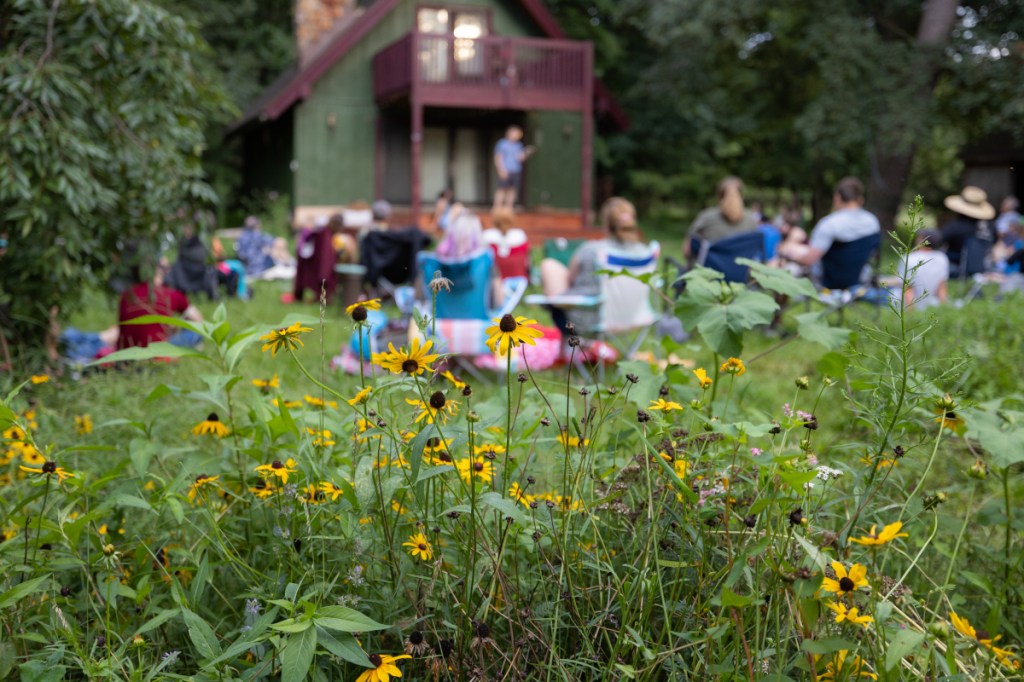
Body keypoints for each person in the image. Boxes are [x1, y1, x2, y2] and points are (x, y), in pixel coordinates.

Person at [540, 197, 650, 336]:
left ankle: (570, 348)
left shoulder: (591, 250)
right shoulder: (645, 252)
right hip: (632, 320)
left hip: (586, 322)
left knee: (549, 265)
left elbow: (570, 279)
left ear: (606, 223)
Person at [778, 177, 880, 268]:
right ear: (860, 199)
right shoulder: (873, 222)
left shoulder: (829, 224)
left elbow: (809, 260)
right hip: (860, 277)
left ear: (837, 197)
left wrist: (789, 254)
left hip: (829, 280)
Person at [118, 262, 202, 349]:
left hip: (128, 352)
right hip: (159, 352)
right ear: (156, 272)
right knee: (197, 332)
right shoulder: (169, 294)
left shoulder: (126, 296)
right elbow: (198, 321)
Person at [433, 212, 503, 309]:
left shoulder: (433, 263)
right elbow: (498, 302)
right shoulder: (485, 261)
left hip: (441, 321)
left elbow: (420, 298)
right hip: (477, 320)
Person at [684, 176, 758, 257]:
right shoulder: (751, 220)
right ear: (742, 196)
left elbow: (687, 252)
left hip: (708, 269)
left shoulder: (706, 217)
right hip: (740, 269)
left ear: (718, 197)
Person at [938, 185, 996, 274]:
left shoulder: (957, 226)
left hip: (957, 266)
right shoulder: (990, 227)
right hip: (982, 267)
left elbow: (938, 239)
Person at [900, 229, 949, 309]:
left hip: (906, 303)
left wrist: (910, 313)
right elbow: (942, 286)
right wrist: (944, 307)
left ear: (921, 240)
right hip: (931, 303)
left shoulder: (909, 258)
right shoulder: (942, 258)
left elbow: (908, 288)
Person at [493, 125, 534, 211]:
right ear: (509, 133)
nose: (517, 136)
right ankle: (497, 208)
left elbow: (520, 158)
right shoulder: (502, 143)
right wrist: (501, 169)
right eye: (516, 133)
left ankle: (509, 208)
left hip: (515, 170)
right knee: (501, 189)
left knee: (512, 190)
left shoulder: (519, 145)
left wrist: (526, 153)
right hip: (505, 170)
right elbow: (498, 157)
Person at [483, 208, 529, 279]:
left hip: (494, 278)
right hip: (518, 278)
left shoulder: (487, 236)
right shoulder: (520, 235)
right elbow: (526, 261)